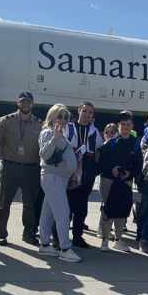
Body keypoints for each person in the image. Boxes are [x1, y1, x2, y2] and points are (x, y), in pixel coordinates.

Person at [0, 91, 43, 247]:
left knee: (29, 204)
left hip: (31, 168)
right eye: (23, 101)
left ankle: (28, 233)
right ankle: (1, 234)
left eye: (29, 102)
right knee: (4, 203)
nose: (26, 104)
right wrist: (4, 152)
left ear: (32, 104)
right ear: (18, 103)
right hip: (10, 167)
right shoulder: (7, 121)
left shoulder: (39, 124)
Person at [37, 104, 80, 263]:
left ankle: (45, 243)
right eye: (60, 116)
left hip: (58, 178)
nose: (63, 120)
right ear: (52, 116)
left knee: (48, 212)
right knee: (62, 213)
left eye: (66, 117)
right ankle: (65, 248)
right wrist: (55, 138)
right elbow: (44, 153)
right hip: (53, 177)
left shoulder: (58, 133)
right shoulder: (49, 132)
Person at [98, 111, 142, 252]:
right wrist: (112, 169)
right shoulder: (110, 142)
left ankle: (118, 239)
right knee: (108, 209)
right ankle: (104, 239)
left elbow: (138, 165)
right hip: (109, 180)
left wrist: (130, 173)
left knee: (122, 210)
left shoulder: (135, 144)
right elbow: (102, 159)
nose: (125, 126)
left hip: (126, 181)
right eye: (123, 124)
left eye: (128, 124)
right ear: (119, 125)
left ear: (132, 125)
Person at [65, 101, 105, 248]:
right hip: (69, 172)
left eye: (90, 113)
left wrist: (95, 171)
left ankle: (77, 237)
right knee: (67, 207)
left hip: (86, 175)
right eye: (85, 111)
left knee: (81, 208)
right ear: (79, 111)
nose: (87, 115)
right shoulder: (68, 128)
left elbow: (100, 152)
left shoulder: (94, 132)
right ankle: (60, 236)